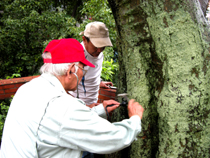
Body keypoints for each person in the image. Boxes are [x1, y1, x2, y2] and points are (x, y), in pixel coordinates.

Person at [0, 38, 144, 158]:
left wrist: (100, 110)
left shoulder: (28, 89)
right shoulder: (62, 106)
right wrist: (135, 120)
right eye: (83, 68)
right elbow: (113, 138)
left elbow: (58, 125)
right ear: (70, 71)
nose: (83, 74)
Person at [70, 21, 114, 108]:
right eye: (96, 46)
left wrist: (98, 82)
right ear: (84, 40)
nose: (100, 50)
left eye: (103, 46)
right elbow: (64, 88)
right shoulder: (75, 56)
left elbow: (89, 74)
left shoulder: (98, 53)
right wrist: (85, 107)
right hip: (77, 106)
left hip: (93, 102)